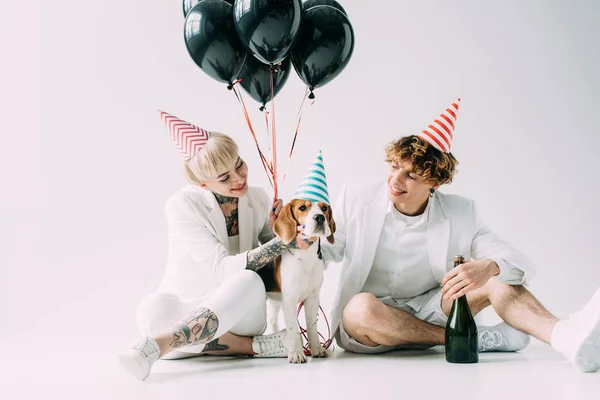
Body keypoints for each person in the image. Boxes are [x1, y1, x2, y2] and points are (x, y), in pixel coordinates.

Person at [321, 98, 600, 372]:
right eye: (395, 167)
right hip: (370, 323)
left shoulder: (461, 211)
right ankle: (469, 339)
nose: (395, 180)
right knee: (360, 309)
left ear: (435, 182)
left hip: (435, 308)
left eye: (411, 176)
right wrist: (302, 239)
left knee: (497, 278)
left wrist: (489, 266)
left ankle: (567, 337)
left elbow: (519, 262)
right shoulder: (356, 200)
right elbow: (327, 250)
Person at [118, 110, 315, 380]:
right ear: (202, 184)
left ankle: (158, 345)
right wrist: (282, 242)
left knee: (248, 280)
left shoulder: (257, 198)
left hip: (240, 310)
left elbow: (276, 258)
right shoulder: (182, 205)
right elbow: (222, 268)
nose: (239, 178)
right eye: (224, 178)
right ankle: (251, 347)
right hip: (190, 304)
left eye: (239, 164)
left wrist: (286, 227)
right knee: (150, 310)